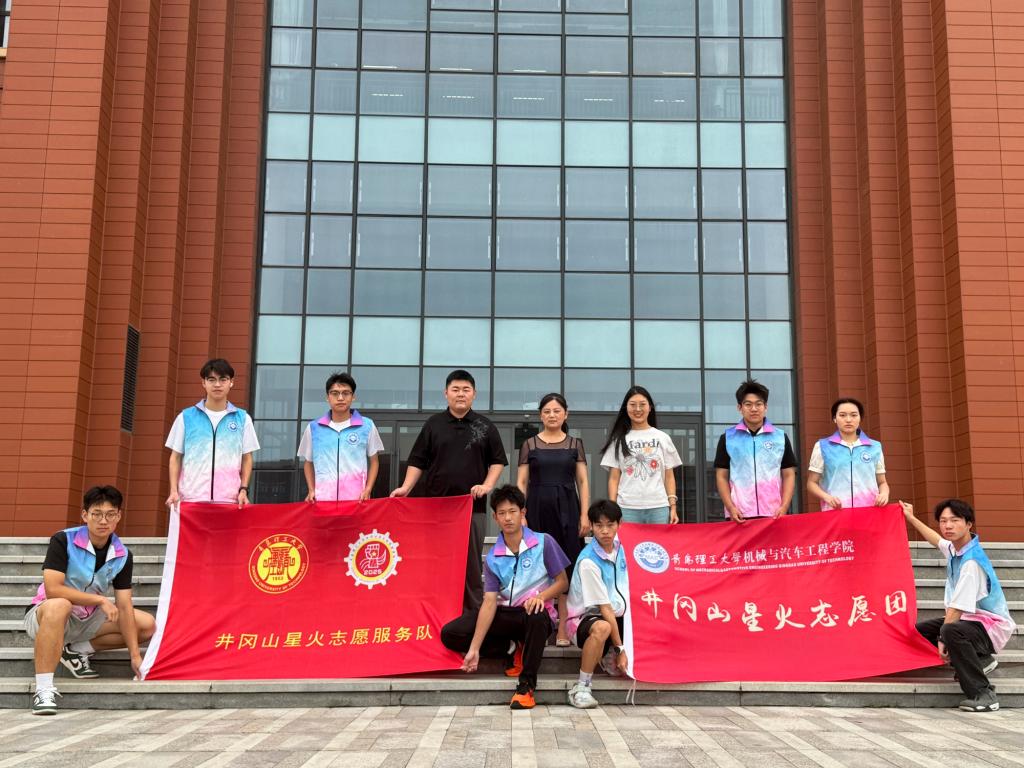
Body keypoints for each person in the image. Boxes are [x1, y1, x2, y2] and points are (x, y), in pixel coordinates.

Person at [24, 486, 156, 715]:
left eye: (110, 514)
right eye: (97, 514)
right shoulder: (63, 540)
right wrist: (99, 599)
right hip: (48, 614)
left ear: (118, 516)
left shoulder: (122, 554)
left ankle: (76, 650)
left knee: (146, 625)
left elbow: (124, 606)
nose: (103, 521)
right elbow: (54, 590)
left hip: (87, 618)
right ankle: (44, 689)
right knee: (60, 604)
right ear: (85, 515)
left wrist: (135, 656)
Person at [440, 485, 569, 710]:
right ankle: (510, 647)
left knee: (537, 615)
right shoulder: (493, 557)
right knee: (450, 633)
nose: (508, 518)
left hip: (535, 615)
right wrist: (474, 649)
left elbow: (563, 582)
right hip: (508, 616)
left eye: (512, 511)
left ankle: (526, 686)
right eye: (502, 513)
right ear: (495, 518)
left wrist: (541, 596)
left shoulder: (544, 542)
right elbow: (490, 601)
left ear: (523, 513)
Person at [391, 370, 508, 611]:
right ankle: (436, 611)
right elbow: (418, 460)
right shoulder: (433, 424)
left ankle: (472, 616)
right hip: (436, 508)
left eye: (466, 390)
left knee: (471, 566)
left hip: (472, 508)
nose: (460, 394)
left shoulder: (485, 426)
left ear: (474, 394)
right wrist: (406, 487)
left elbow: (497, 461)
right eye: (455, 389)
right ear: (446, 393)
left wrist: (487, 485)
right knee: (436, 561)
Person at [901, 499, 1015, 712]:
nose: (948, 526)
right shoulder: (957, 549)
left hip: (991, 627)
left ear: (969, 524)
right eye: (943, 521)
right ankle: (981, 660)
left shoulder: (971, 562)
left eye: (954, 520)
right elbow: (936, 540)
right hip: (971, 621)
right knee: (921, 632)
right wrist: (911, 517)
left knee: (950, 631)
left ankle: (984, 694)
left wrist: (943, 638)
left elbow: (957, 608)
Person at [516, 393, 589, 646]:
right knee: (538, 564)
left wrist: (584, 514)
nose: (552, 415)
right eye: (547, 411)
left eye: (557, 411)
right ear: (540, 415)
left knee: (567, 562)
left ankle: (563, 628)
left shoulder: (575, 444)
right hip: (537, 507)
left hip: (568, 507)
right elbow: (521, 482)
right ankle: (540, 622)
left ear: (565, 414)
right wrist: (521, 513)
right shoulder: (530, 444)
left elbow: (583, 481)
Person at [165, 358, 260, 507]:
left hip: (229, 500)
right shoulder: (186, 417)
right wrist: (173, 490)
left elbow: (247, 458)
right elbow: (175, 457)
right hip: (191, 499)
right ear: (203, 382)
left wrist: (243, 489)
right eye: (211, 380)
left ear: (231, 382)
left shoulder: (242, 419)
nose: (217, 384)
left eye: (223, 379)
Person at [565, 500, 629, 709]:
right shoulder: (588, 561)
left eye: (610, 525)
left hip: (618, 614)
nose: (605, 531)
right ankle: (582, 687)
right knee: (603, 627)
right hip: (584, 620)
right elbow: (605, 609)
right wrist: (620, 649)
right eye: (599, 525)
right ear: (591, 526)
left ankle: (608, 653)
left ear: (619, 524)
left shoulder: (623, 549)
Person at [714, 379, 796, 523]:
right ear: (739, 407)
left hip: (774, 513)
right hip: (739, 515)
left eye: (758, 404)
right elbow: (721, 476)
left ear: (766, 407)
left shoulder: (780, 437)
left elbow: (789, 474)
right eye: (748, 404)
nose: (754, 409)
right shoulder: (728, 438)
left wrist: (784, 506)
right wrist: (731, 507)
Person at [600, 386, 682, 524]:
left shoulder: (662, 437)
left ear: (650, 408)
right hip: (626, 507)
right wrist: (613, 509)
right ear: (626, 408)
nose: (637, 409)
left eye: (642, 404)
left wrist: (673, 506)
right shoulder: (618, 440)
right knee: (628, 540)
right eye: (632, 405)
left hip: (658, 507)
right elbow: (614, 478)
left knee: (657, 539)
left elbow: (669, 476)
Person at [297, 372, 384, 502]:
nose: (340, 398)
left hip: (356, 500)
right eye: (335, 393)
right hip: (323, 500)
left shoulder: (366, 426)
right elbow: (308, 462)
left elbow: (374, 461)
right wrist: (311, 489)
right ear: (327, 397)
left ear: (353, 397)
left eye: (346, 393)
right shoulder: (314, 428)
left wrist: (368, 489)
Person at [807, 397, 889, 510]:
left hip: (869, 512)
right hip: (835, 512)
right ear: (834, 418)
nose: (848, 420)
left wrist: (884, 494)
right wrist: (827, 498)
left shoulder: (875, 447)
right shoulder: (822, 446)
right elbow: (811, 483)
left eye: (854, 415)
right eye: (842, 415)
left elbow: (882, 482)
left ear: (860, 418)